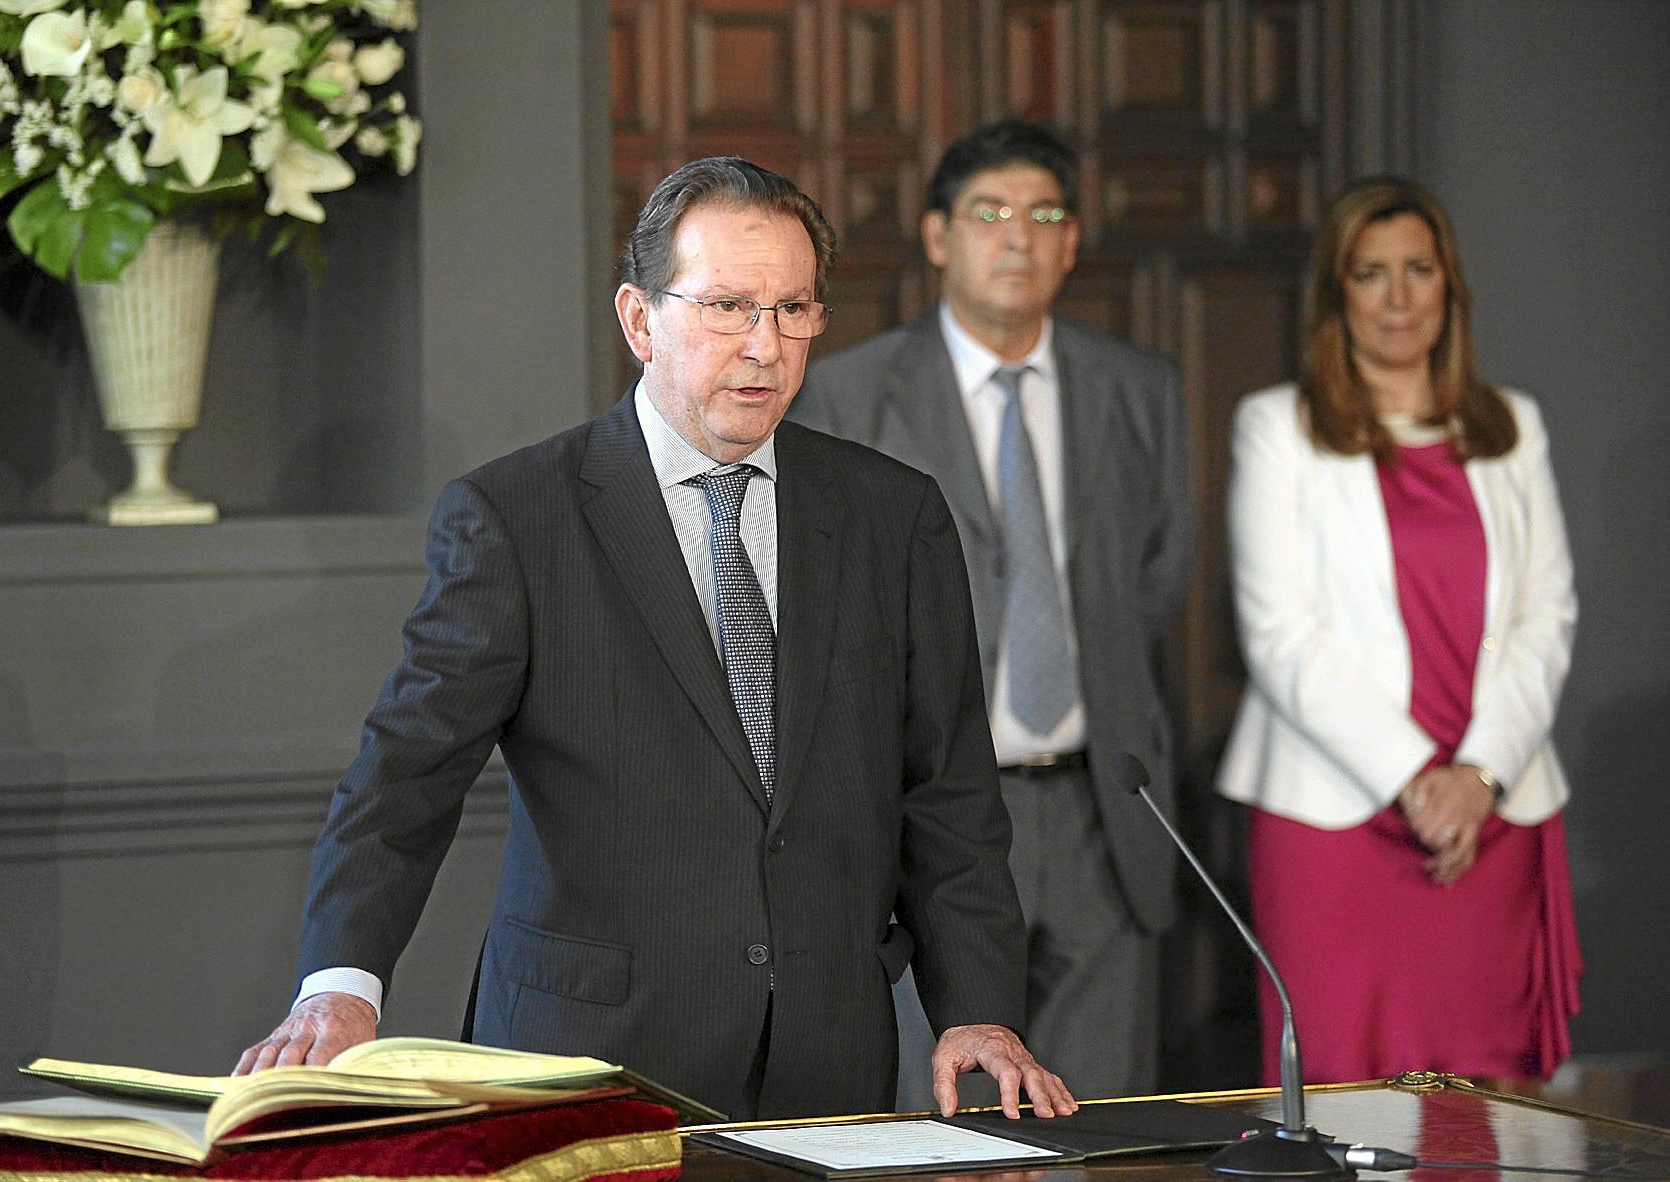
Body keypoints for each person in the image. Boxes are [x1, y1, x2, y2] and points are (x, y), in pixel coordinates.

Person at [233, 156, 1076, 1123]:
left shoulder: (895, 516)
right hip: (588, 1061)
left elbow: (948, 795)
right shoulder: (518, 516)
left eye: (792, 309)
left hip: (826, 1060)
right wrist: (341, 985)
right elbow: (405, 775)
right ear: (640, 321)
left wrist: (976, 1010)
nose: (765, 347)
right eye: (727, 307)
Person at [793, 119, 1192, 1103]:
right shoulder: (847, 394)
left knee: (1104, 1126)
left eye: (1043, 216)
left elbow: (1157, 576)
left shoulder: (1139, 387)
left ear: (1072, 240)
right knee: (951, 1124)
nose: (1017, 237)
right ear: (937, 235)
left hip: (1104, 814)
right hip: (929, 819)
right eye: (989, 213)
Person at [1216, 176, 1582, 1087]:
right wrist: (1418, 782)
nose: (1398, 298)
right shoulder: (1277, 428)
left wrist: (1478, 777)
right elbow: (1278, 635)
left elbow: (1548, 616)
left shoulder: (1513, 427)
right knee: (1343, 1092)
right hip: (1335, 817)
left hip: (1494, 813)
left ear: (1450, 285)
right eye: (1370, 273)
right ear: (1336, 294)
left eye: (1419, 269)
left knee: (1490, 1105)